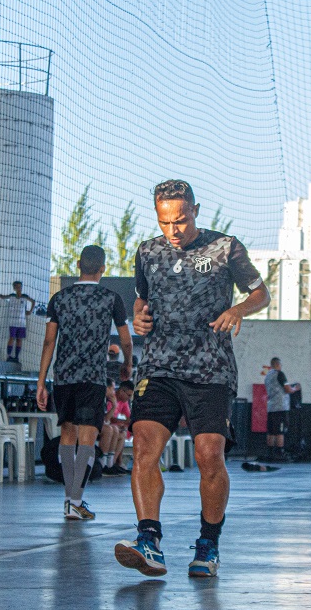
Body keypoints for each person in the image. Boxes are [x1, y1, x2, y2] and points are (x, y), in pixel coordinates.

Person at [114, 179, 270, 578]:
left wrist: (238, 310)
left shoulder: (226, 248)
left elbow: (261, 294)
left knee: (209, 454)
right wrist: (139, 316)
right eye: (165, 221)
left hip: (210, 367)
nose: (173, 229)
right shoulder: (147, 252)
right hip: (159, 365)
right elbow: (142, 298)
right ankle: (149, 541)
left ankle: (208, 544)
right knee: (144, 446)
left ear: (195, 211)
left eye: (181, 220)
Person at [37, 245, 132, 520]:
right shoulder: (111, 298)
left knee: (67, 435)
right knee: (88, 438)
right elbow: (126, 340)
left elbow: (49, 341)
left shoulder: (59, 298)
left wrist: (41, 381)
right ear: (102, 268)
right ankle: (75, 500)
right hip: (92, 378)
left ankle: (70, 500)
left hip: (63, 377)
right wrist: (127, 363)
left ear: (78, 265)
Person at [0, 281, 35, 363]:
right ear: (14, 288)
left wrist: (30, 311)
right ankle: (8, 356)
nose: (19, 289)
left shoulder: (25, 297)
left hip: (22, 323)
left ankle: (16, 357)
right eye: (17, 287)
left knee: (19, 339)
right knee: (12, 337)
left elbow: (33, 301)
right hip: (13, 322)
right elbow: (2, 296)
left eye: (20, 287)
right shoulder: (12, 296)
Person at [263, 358, 299, 462]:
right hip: (281, 407)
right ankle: (280, 453)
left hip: (271, 406)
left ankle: (270, 453)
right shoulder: (280, 374)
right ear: (278, 364)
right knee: (280, 431)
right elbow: (287, 389)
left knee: (271, 431)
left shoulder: (267, 376)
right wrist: (295, 388)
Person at [103, 380, 135, 475]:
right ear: (121, 391)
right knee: (115, 430)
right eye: (128, 395)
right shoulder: (111, 399)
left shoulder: (124, 402)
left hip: (112, 426)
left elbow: (129, 418)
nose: (129, 398)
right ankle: (107, 463)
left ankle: (113, 463)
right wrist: (122, 422)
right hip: (106, 426)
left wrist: (126, 424)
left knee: (123, 432)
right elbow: (108, 418)